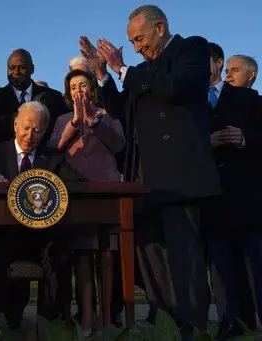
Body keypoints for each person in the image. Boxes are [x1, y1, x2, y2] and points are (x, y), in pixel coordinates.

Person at [79, 4, 221, 335]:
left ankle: (191, 324)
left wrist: (122, 69)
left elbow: (172, 88)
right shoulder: (144, 71)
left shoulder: (192, 49)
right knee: (150, 253)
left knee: (183, 254)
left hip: (179, 174)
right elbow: (124, 112)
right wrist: (103, 73)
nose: (136, 47)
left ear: (160, 28)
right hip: (143, 177)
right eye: (130, 42)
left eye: (140, 38)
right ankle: (163, 319)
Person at [0, 101, 81, 329]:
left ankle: (51, 328)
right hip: (3, 237)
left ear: (46, 130)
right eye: (26, 127)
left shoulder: (53, 158)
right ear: (15, 125)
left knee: (61, 259)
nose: (30, 135)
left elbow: (75, 183)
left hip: (42, 239)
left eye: (38, 130)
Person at [48, 69, 125, 336]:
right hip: (74, 193)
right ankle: (88, 319)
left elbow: (118, 144)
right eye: (72, 87)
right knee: (82, 255)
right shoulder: (62, 119)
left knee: (106, 255)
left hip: (106, 192)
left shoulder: (106, 114)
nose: (78, 90)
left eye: (82, 85)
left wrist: (93, 121)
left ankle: (106, 318)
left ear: (91, 88)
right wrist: (75, 122)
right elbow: (54, 148)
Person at [204, 42, 262, 339]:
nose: (228, 76)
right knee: (222, 269)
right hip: (212, 200)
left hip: (247, 199)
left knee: (255, 268)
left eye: (232, 70)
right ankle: (231, 322)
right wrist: (207, 142)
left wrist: (245, 139)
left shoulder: (249, 99)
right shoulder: (191, 103)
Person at [0, 49, 67, 145]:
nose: (16, 72)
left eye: (22, 68)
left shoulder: (53, 98)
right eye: (11, 68)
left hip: (43, 158)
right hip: (7, 159)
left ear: (32, 69)